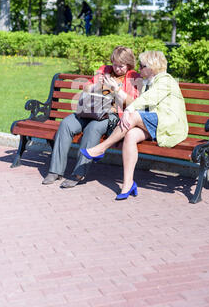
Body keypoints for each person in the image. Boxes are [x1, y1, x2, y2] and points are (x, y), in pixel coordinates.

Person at [81, 50, 189, 200]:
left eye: (143, 66)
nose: (139, 69)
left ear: (152, 67)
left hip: (169, 123)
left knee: (132, 116)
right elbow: (140, 106)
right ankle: (128, 184)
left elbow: (148, 100)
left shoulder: (165, 80)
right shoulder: (147, 83)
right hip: (153, 122)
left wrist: (129, 110)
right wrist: (115, 91)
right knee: (130, 135)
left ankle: (101, 148)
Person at [42, 46, 141, 188]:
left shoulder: (133, 77)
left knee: (93, 128)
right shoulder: (105, 70)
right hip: (90, 110)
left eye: (121, 66)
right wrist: (98, 85)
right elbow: (86, 88)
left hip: (112, 115)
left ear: (129, 64)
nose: (117, 68)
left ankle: (78, 173)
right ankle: (55, 171)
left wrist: (116, 90)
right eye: (115, 64)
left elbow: (135, 102)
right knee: (66, 124)